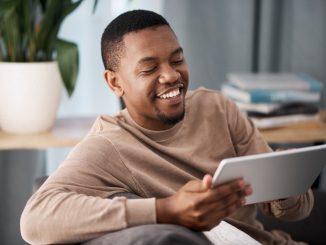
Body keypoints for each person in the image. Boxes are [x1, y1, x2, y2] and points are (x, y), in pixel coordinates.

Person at [20, 10, 313, 245]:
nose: (172, 75)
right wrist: (166, 210)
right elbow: (34, 221)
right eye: (149, 69)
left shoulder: (218, 108)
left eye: (177, 59)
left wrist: (286, 187)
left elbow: (298, 211)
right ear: (114, 82)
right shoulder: (108, 145)